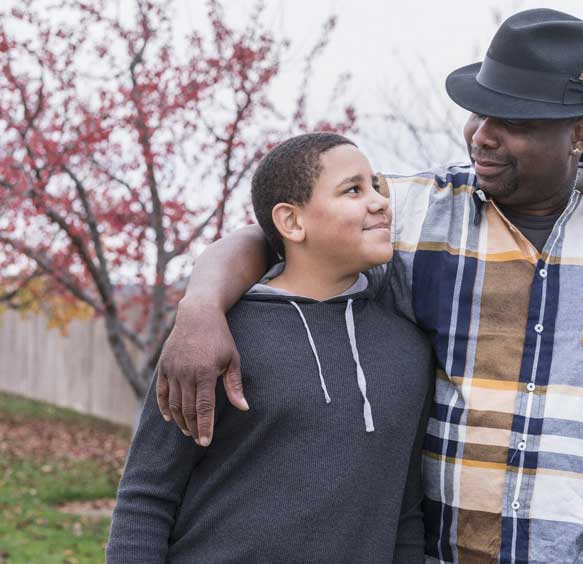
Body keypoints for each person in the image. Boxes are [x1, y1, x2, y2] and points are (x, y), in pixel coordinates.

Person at [155, 9, 583, 564]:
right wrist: (202, 307)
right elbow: (268, 236)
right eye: (479, 112)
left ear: (579, 134)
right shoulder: (411, 213)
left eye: (512, 120)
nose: (482, 135)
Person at [106, 133, 433, 563]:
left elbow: (404, 512)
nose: (379, 202)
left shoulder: (408, 347)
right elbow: (147, 496)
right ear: (292, 222)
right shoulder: (215, 339)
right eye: (353, 190)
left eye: (376, 187)